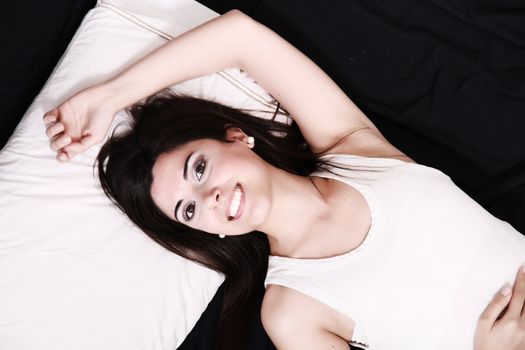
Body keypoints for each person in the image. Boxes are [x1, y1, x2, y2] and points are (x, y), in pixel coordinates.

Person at [42, 10, 525, 350]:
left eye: (199, 167)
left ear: (237, 137)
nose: (208, 198)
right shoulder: (292, 310)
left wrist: (110, 96)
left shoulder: (355, 150)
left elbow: (240, 39)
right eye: (188, 211)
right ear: (210, 233)